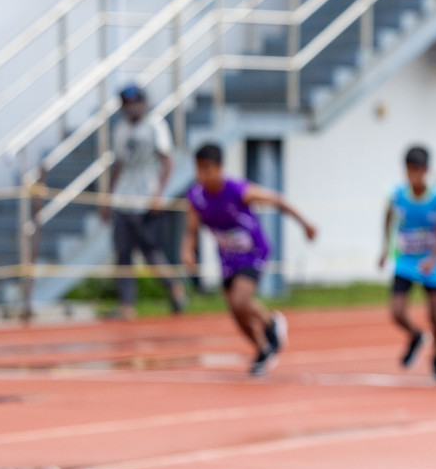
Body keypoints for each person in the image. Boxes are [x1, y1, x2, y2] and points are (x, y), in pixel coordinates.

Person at [181, 143, 316, 376]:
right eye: (199, 170)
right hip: (227, 258)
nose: (203, 175)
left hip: (253, 251)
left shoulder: (237, 190)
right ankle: (262, 348)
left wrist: (304, 224)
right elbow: (190, 231)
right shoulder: (196, 197)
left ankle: (271, 323)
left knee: (241, 300)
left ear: (220, 168)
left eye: (208, 169)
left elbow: (277, 200)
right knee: (236, 312)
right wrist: (188, 250)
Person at [101, 86, 186, 320]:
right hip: (122, 198)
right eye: (126, 103)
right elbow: (117, 166)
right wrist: (106, 198)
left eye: (134, 102)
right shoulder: (120, 129)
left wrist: (159, 193)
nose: (130, 108)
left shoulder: (155, 126)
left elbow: (168, 161)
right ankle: (126, 306)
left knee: (151, 252)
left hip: (147, 198)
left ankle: (174, 288)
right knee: (123, 254)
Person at [379, 146, 436, 381]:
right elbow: (387, 219)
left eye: (417, 171)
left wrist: (433, 260)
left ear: (426, 171)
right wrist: (385, 248)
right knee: (396, 311)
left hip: (432, 261)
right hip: (406, 260)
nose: (413, 176)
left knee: (435, 312)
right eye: (409, 171)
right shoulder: (397, 194)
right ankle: (416, 335)